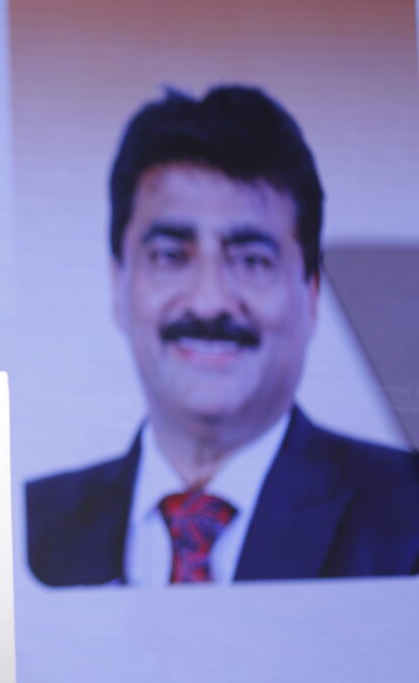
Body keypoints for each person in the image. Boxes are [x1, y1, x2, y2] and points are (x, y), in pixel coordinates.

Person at [26, 85, 419, 587]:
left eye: (251, 260)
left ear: (312, 293)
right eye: (171, 256)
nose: (209, 301)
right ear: (118, 284)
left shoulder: (406, 517)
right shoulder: (26, 524)